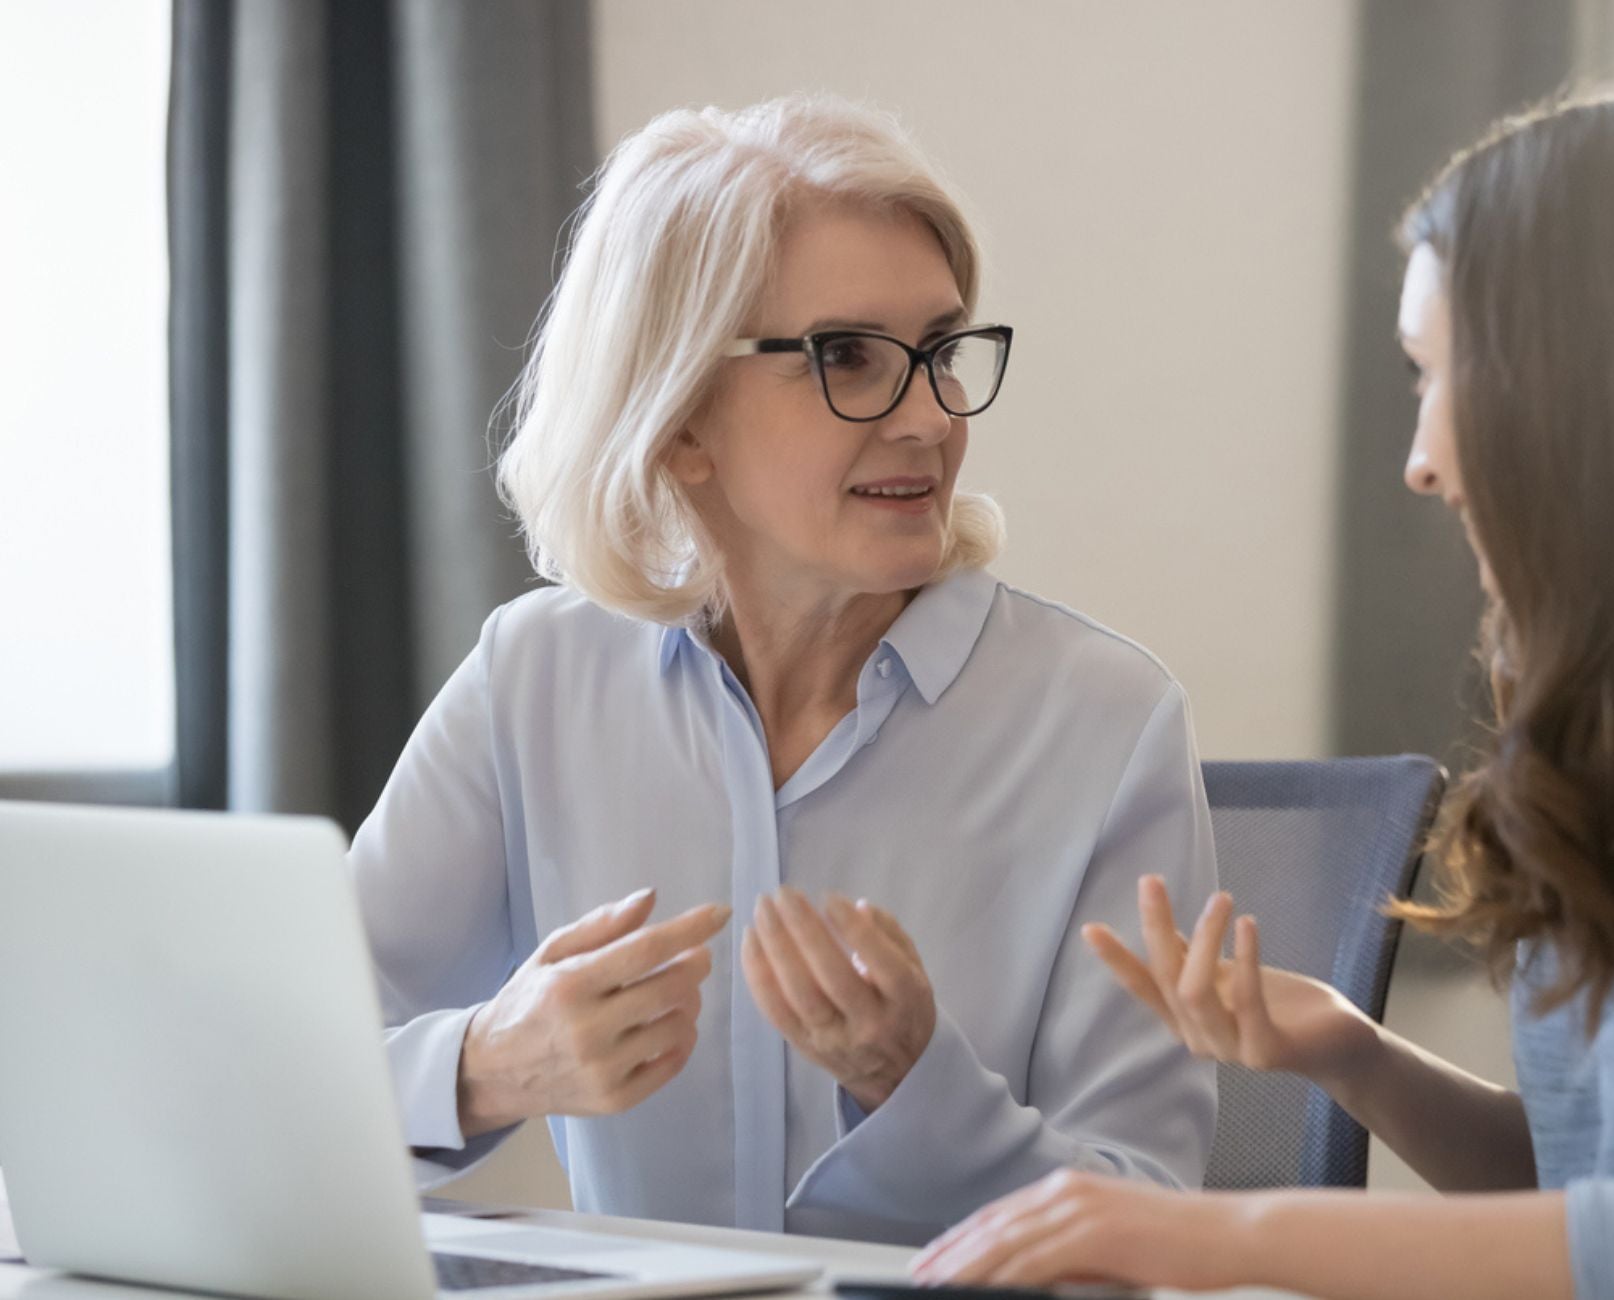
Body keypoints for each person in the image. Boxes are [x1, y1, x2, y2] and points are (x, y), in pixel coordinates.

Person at [916, 85, 1614, 1299]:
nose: (1421, 458)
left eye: (1443, 375)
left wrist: (1207, 1234)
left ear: (1608, 388)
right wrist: (1351, 1052)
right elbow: (1594, 1196)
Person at [347, 94, 1216, 1246]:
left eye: (939, 351)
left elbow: (1150, 1223)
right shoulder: (535, 677)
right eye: (847, 357)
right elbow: (282, 1071)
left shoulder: (1109, 722)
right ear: (677, 417)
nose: (926, 418)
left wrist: (916, 1088)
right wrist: (490, 1065)